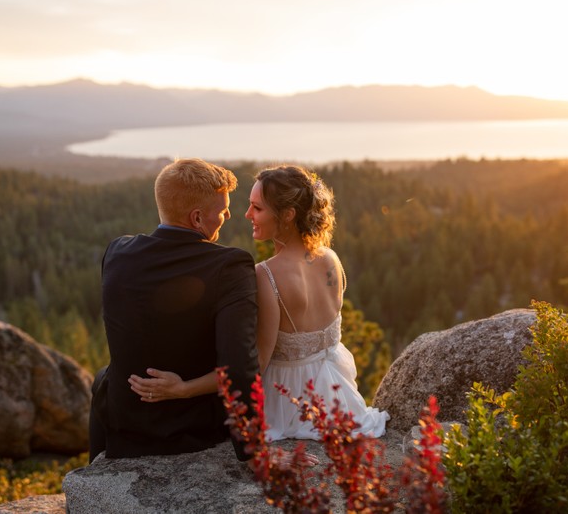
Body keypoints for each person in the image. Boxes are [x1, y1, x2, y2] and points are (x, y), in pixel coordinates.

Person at [130, 165, 388, 442]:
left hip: (289, 403)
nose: (247, 215)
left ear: (287, 215)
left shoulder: (266, 274)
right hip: (337, 396)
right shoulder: (330, 260)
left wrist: (184, 388)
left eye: (257, 208)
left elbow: (255, 366)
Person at [89, 158, 259, 462]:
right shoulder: (230, 266)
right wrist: (255, 452)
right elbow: (239, 365)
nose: (228, 215)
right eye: (221, 211)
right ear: (196, 219)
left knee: (104, 374)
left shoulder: (117, 252)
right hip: (191, 429)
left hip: (125, 424)